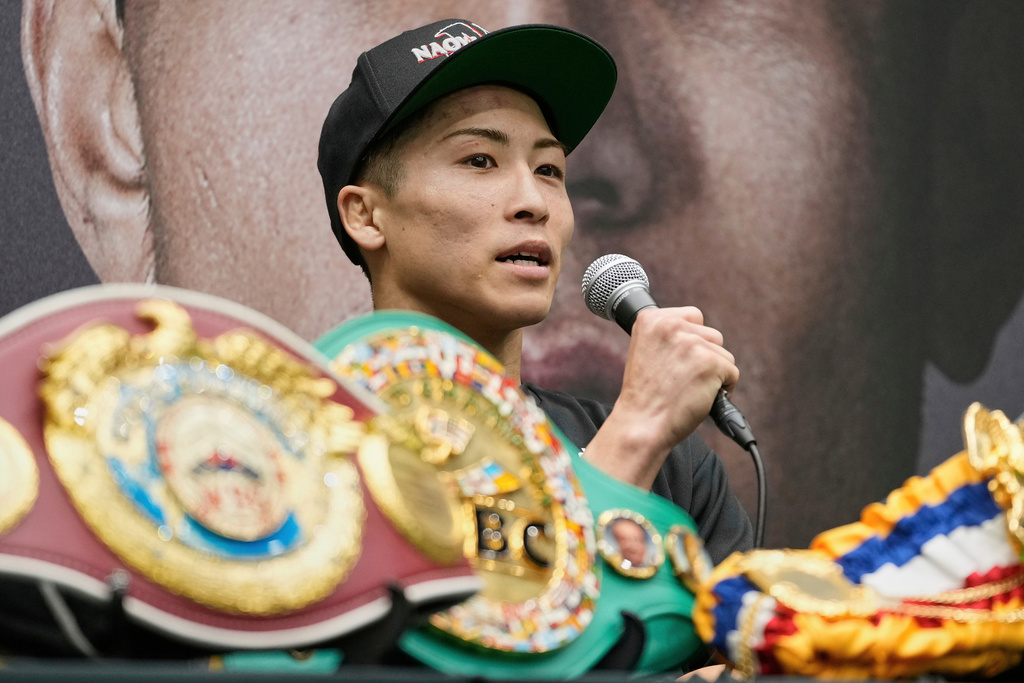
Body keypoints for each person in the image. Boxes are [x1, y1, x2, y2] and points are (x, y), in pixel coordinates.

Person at [19, 0, 1024, 547]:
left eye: (543, 164)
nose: (559, 184)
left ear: (972, 159)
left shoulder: (696, 479)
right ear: (109, 121)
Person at [316, 18, 752, 565]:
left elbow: (746, 648)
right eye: (479, 160)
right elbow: (479, 638)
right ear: (367, 215)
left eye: (549, 169)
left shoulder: (678, 469)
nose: (535, 202)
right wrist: (634, 436)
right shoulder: (310, 444)